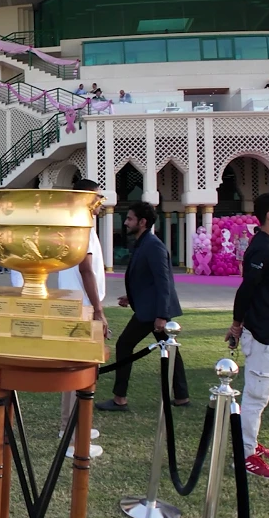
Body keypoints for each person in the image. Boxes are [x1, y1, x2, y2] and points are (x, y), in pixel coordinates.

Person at [97, 202, 188, 411]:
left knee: (124, 345)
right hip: (150, 308)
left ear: (143, 222)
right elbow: (147, 280)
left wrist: (162, 315)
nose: (126, 222)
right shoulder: (143, 243)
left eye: (129, 219)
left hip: (153, 312)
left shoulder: (153, 246)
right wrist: (132, 297)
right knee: (170, 349)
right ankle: (182, 396)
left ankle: (120, 399)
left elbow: (164, 282)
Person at [226, 193, 269, 479]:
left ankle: (250, 443)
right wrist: (237, 324)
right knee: (255, 396)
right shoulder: (261, 249)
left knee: (259, 396)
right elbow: (246, 290)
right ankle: (246, 456)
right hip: (261, 333)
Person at [51, 180, 107, 456]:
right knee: (76, 371)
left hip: (78, 306)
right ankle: (70, 433)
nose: (101, 202)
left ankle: (76, 424)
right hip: (80, 308)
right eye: (96, 197)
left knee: (83, 370)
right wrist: (98, 309)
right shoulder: (79, 225)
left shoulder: (79, 223)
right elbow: (86, 270)